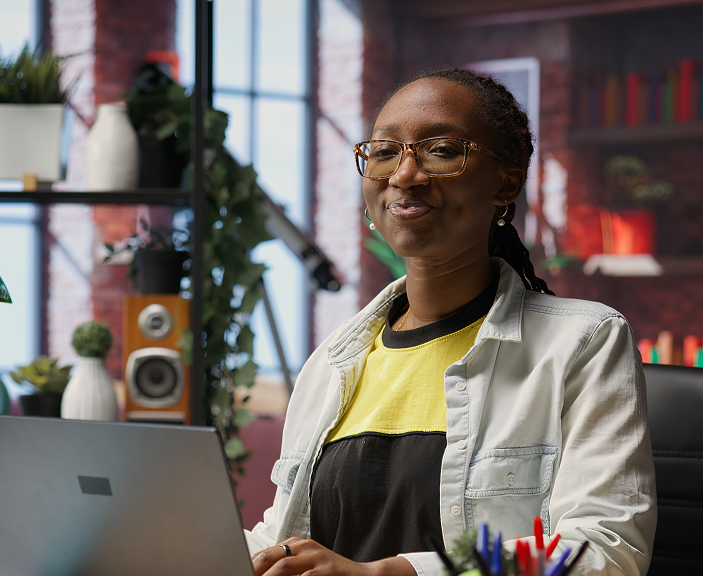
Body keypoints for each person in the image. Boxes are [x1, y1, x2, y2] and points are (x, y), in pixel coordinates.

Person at [246, 68, 656, 576]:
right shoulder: (331, 364)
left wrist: (390, 574)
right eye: (384, 151)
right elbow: (283, 534)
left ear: (505, 182)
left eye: (440, 150)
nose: (404, 174)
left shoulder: (583, 343)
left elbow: (604, 551)